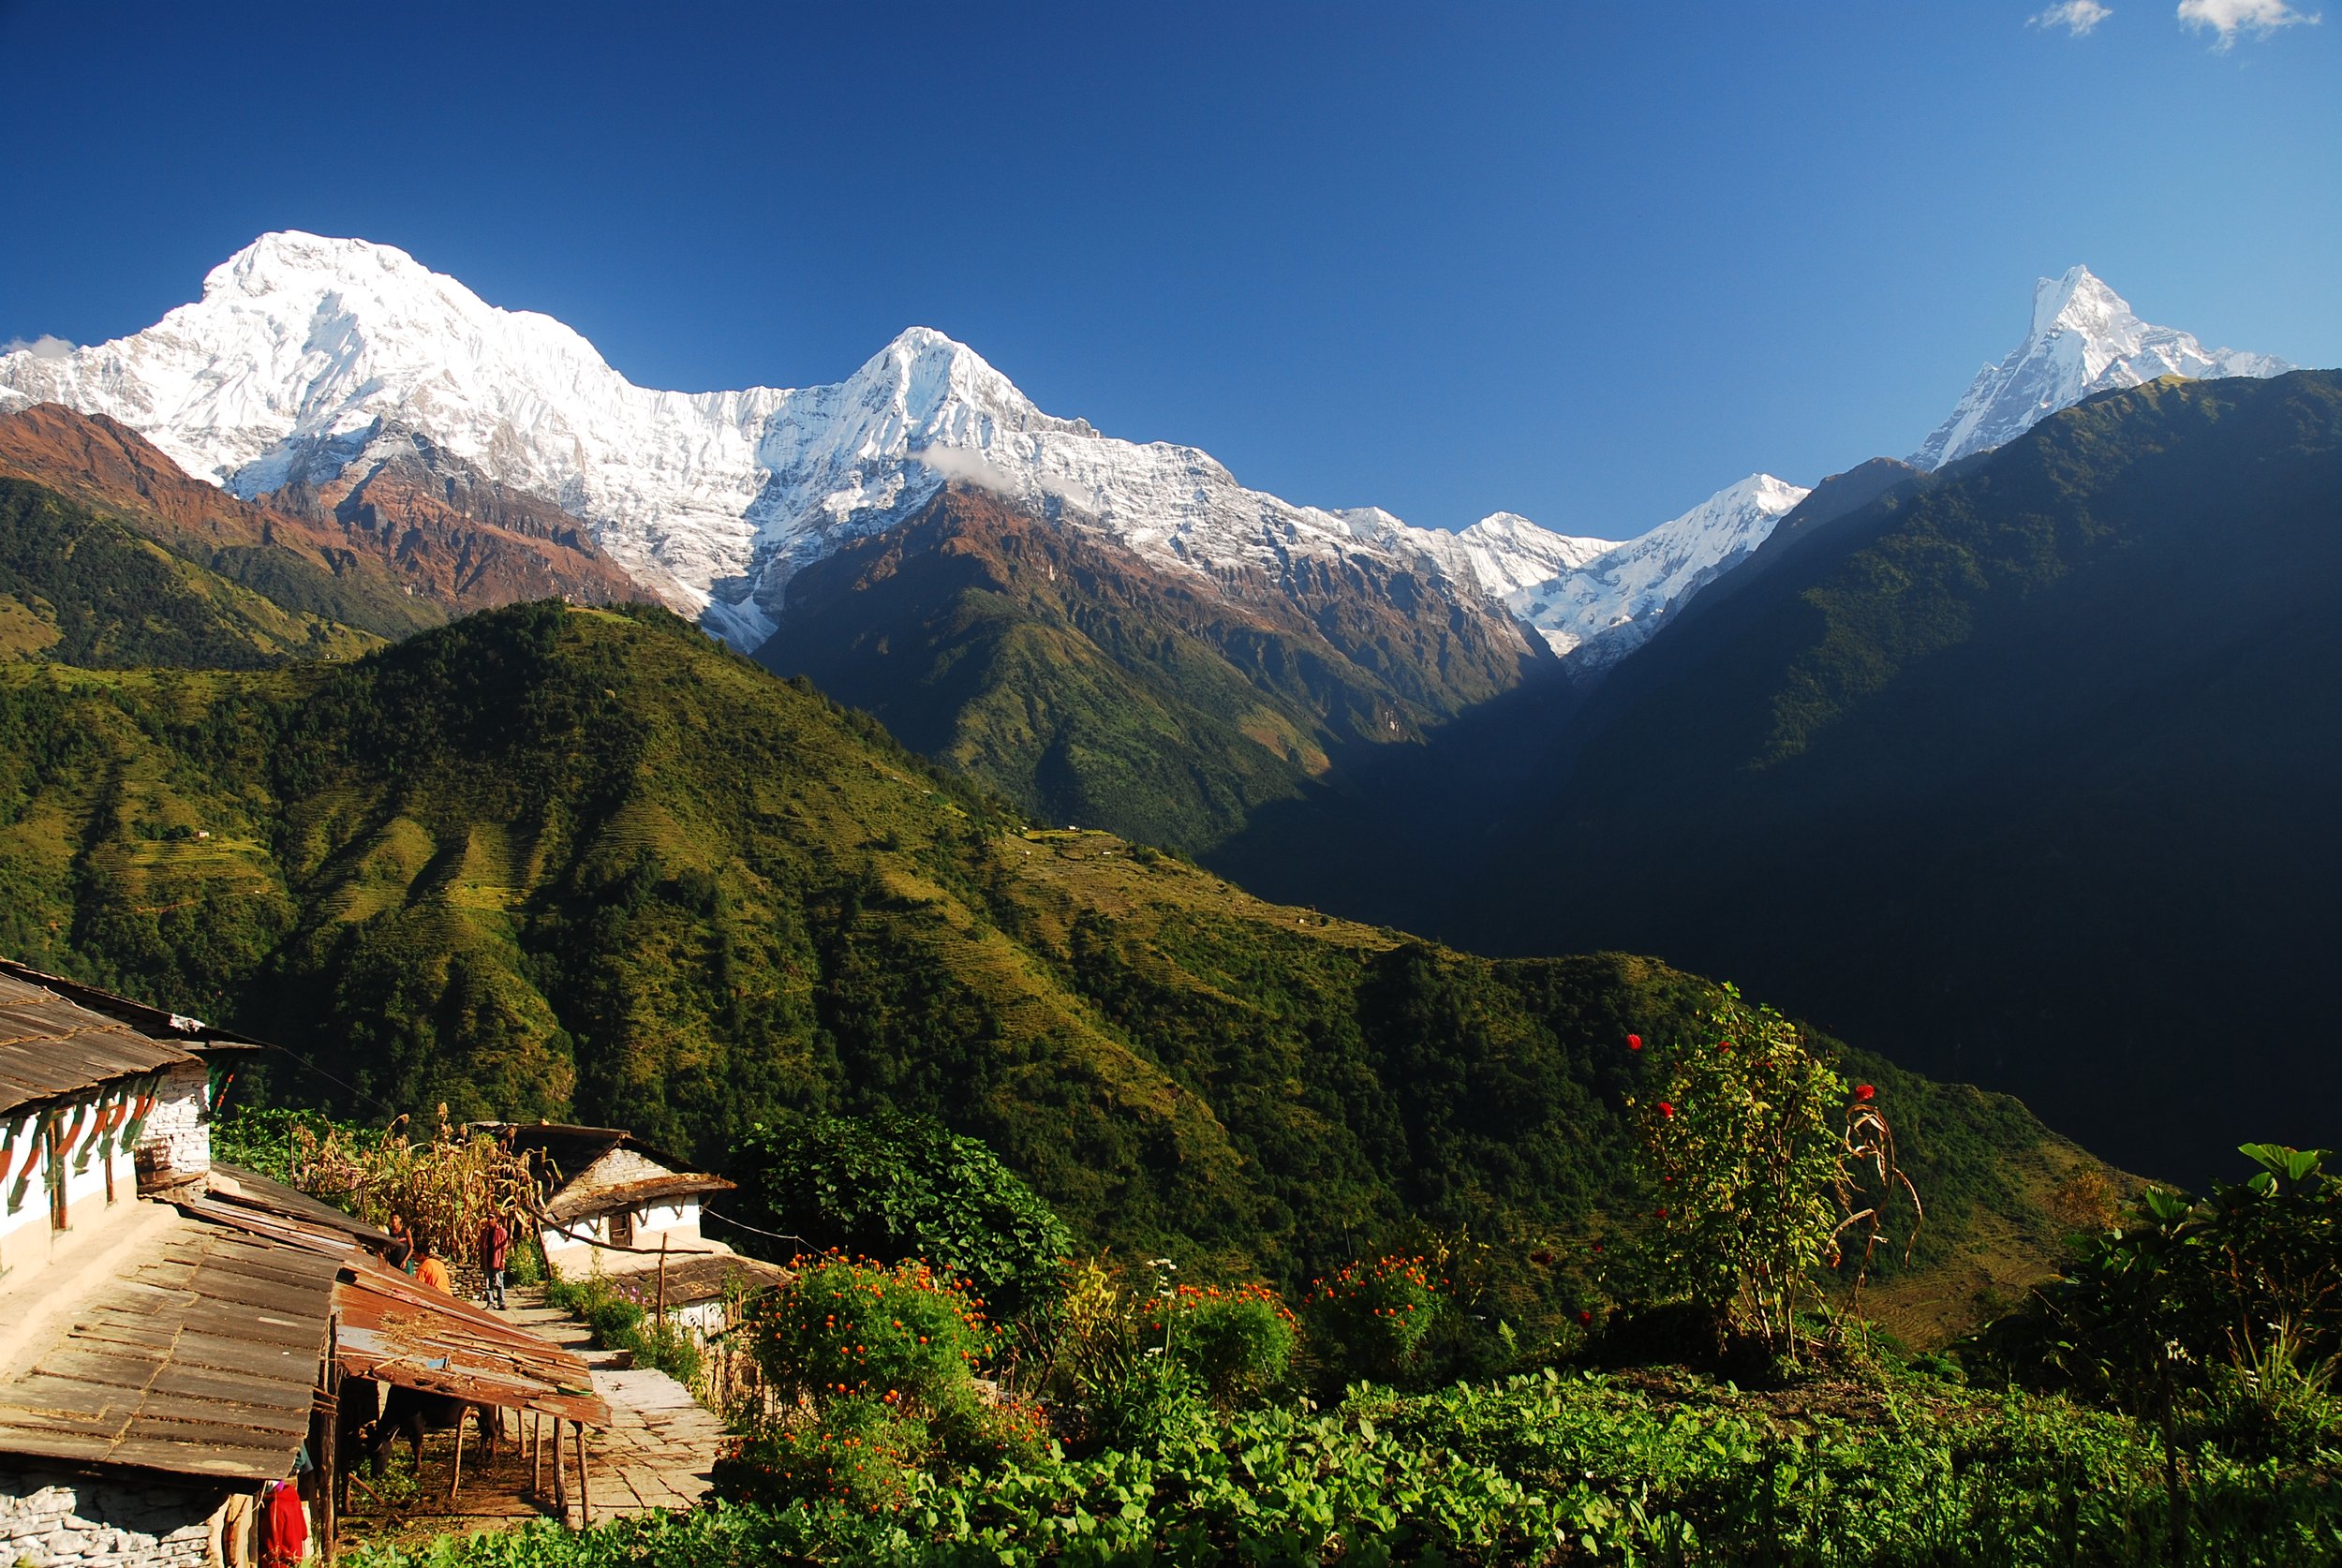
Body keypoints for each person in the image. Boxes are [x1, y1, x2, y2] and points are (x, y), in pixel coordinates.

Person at [478, 1211, 511, 1310]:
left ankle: (502, 1303)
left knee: (499, 1282)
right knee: (488, 1283)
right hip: (487, 1259)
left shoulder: (502, 1232)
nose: (489, 1220)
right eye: (488, 1218)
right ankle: (490, 1303)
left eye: (492, 1218)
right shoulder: (484, 1232)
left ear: (497, 1219)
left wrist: (503, 1260)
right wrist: (481, 1261)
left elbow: (504, 1247)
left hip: (497, 1260)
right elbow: (482, 1247)